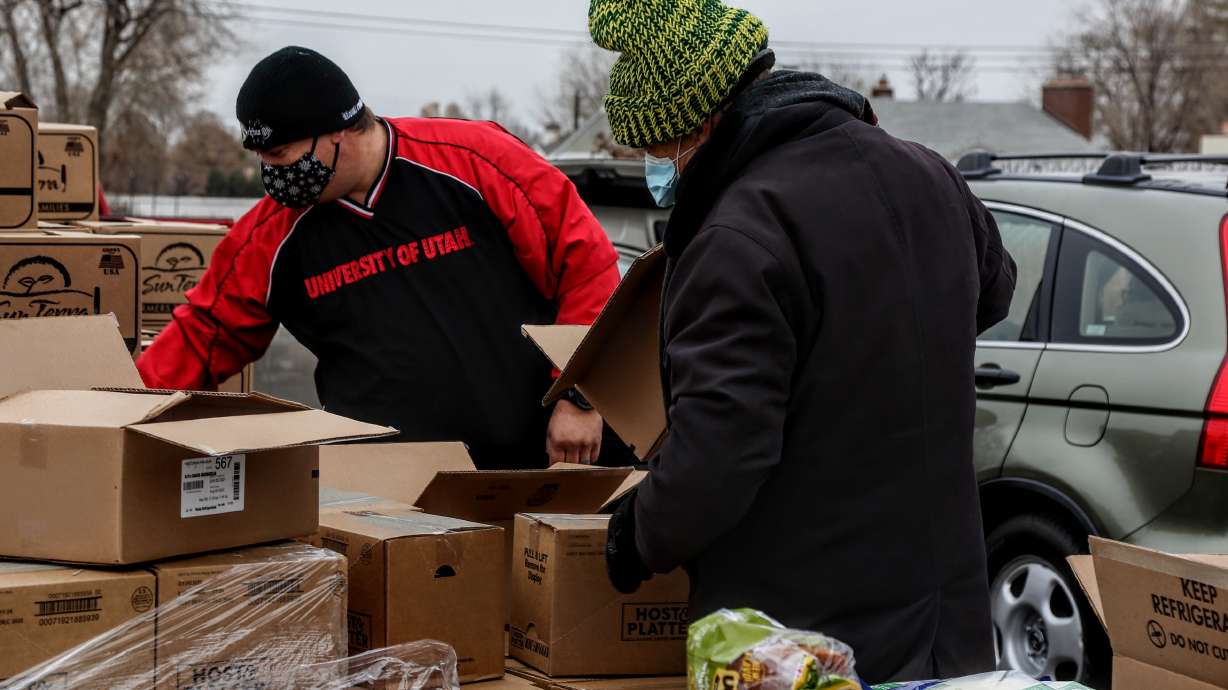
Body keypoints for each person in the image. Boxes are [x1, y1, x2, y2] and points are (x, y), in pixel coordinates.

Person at [592, 0, 1016, 683]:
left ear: (697, 125)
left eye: (658, 150)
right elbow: (994, 291)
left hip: (812, 639)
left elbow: (721, 456)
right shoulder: (929, 172)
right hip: (948, 618)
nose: (657, 169)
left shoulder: (739, 234)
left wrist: (635, 537)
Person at [138, 46, 625, 469]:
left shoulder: (475, 159)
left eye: (279, 154)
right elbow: (203, 334)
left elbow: (587, 266)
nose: (270, 172)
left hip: (536, 461)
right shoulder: (271, 233)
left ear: (336, 132)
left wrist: (579, 395)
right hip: (383, 492)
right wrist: (121, 412)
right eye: (261, 159)